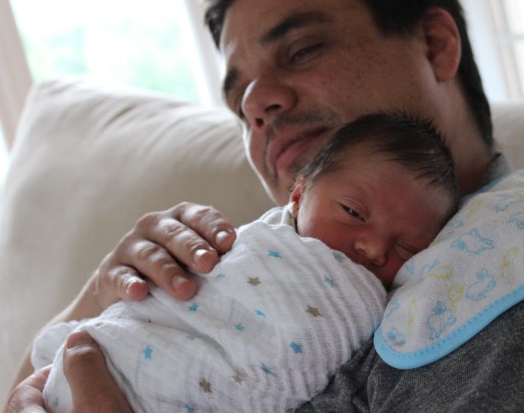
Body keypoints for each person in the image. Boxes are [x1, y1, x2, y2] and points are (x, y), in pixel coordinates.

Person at [7, 0, 524, 411]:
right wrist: (97, 298)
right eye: (239, 102)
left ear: (435, 44)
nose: (257, 103)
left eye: (302, 50)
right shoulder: (256, 267)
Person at [33, 113, 459, 412]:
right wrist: (99, 294)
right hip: (106, 356)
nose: (373, 249)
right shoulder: (245, 241)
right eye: (351, 212)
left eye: (407, 247)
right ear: (299, 195)